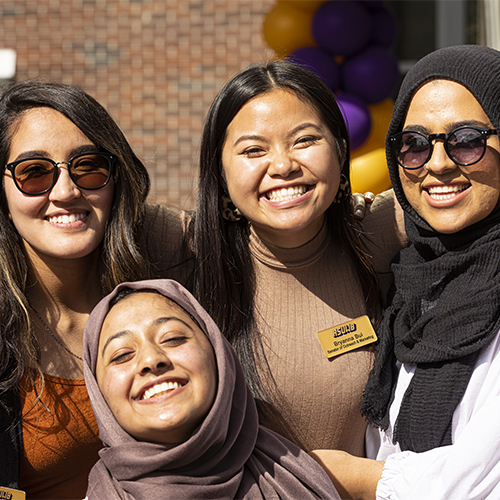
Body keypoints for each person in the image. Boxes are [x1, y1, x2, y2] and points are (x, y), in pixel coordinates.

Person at [312, 44, 500, 500]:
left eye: (468, 140)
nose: (437, 163)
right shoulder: (409, 277)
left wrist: (357, 478)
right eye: (414, 144)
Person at [192, 59, 407, 454]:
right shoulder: (190, 253)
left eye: (305, 140)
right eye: (253, 150)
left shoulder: (376, 234)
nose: (284, 165)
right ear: (220, 173)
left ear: (341, 151)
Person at [0, 81, 192, 498]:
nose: (67, 192)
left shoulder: (164, 276)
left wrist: (357, 210)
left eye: (89, 166)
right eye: (34, 173)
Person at [82, 278, 340, 500]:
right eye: (122, 355)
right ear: (98, 393)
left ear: (218, 356)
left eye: (173, 338)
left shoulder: (292, 476)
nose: (151, 360)